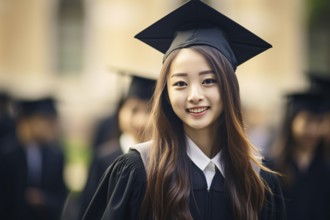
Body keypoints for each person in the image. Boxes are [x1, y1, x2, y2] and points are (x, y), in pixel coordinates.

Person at [83, 1, 286, 219]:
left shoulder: (258, 180)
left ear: (229, 88)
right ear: (166, 94)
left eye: (208, 80)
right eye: (180, 83)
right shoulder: (139, 171)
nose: (195, 95)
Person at [78, 73, 156, 218]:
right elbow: (88, 209)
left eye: (149, 111)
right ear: (120, 111)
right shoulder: (103, 159)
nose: (140, 120)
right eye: (134, 110)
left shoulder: (163, 161)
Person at [0, 97, 68, 220]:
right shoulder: (6, 154)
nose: (50, 126)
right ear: (27, 121)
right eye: (44, 120)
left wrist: (44, 200)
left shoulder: (56, 156)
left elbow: (62, 196)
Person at [270, 91, 330, 220]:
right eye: (308, 121)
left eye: (319, 122)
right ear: (291, 121)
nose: (313, 130)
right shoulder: (271, 166)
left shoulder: (326, 168)